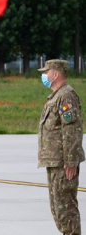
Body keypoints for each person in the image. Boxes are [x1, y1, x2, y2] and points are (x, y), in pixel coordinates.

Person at [38, 59, 84, 235]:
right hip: (54, 161)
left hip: (63, 163)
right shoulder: (57, 96)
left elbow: (71, 130)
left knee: (66, 209)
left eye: (46, 72)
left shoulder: (66, 96)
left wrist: (71, 161)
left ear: (55, 74)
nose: (44, 75)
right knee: (58, 208)